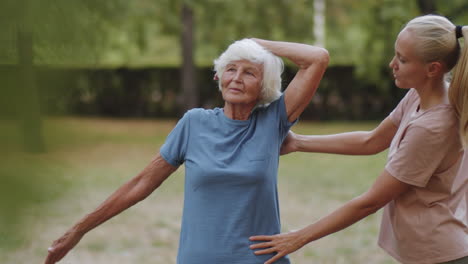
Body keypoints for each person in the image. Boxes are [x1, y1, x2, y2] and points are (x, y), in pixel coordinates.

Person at [44, 38, 329, 264]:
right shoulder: (194, 123)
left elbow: (317, 58)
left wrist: (254, 43)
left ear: (263, 86)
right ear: (219, 77)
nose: (237, 78)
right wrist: (78, 230)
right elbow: (141, 184)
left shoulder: (272, 122)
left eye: (249, 72)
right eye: (231, 69)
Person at [250, 15, 468, 264]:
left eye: (403, 60)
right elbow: (371, 141)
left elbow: (370, 202)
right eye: (395, 54)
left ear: (433, 69)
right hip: (430, 250)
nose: (392, 64)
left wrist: (299, 237)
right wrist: (298, 142)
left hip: (441, 254)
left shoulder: (432, 127)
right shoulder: (420, 97)